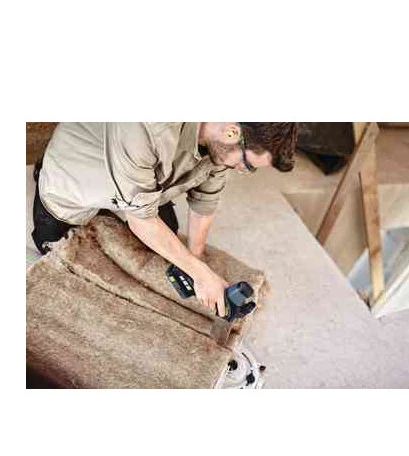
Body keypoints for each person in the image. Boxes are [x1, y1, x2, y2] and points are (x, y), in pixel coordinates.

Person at [32, 122, 298, 316]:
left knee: (167, 239)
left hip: (139, 183)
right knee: (66, 263)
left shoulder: (220, 142)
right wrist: (201, 274)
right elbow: (142, 221)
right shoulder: (148, 124)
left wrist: (195, 262)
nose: (242, 170)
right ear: (231, 132)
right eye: (247, 165)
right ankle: (45, 170)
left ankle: (135, 197)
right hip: (77, 178)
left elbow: (205, 200)